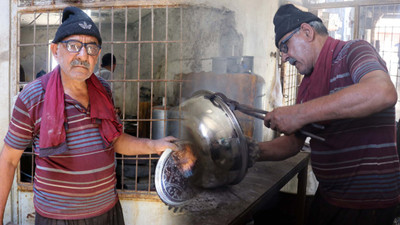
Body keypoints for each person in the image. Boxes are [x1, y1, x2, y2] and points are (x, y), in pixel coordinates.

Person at [0, 6, 177, 225]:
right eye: (74, 46)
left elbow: (115, 140)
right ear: (55, 50)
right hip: (58, 219)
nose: (83, 55)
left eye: (91, 48)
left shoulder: (103, 90)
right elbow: (8, 161)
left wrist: (154, 145)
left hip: (107, 213)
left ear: (97, 55)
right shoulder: (33, 96)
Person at [259, 4, 400, 225]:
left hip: (367, 204)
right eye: (281, 51)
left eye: (285, 46)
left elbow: (382, 92)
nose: (285, 57)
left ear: (307, 32)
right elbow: (293, 144)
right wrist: (249, 152)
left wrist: (299, 112)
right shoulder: (306, 86)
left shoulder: (353, 51)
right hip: (329, 196)